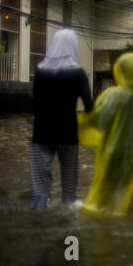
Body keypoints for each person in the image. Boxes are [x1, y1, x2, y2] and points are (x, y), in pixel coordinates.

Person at [78, 52, 133, 216]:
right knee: (130, 204)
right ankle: (127, 233)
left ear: (121, 72)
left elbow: (98, 122)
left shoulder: (113, 95)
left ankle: (98, 232)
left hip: (112, 153)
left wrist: (79, 122)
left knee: (101, 199)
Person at [30, 28, 93, 209]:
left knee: (40, 194)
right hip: (68, 135)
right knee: (68, 193)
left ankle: (36, 227)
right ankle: (67, 228)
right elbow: (89, 107)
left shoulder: (40, 71)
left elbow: (35, 102)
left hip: (41, 134)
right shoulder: (78, 74)